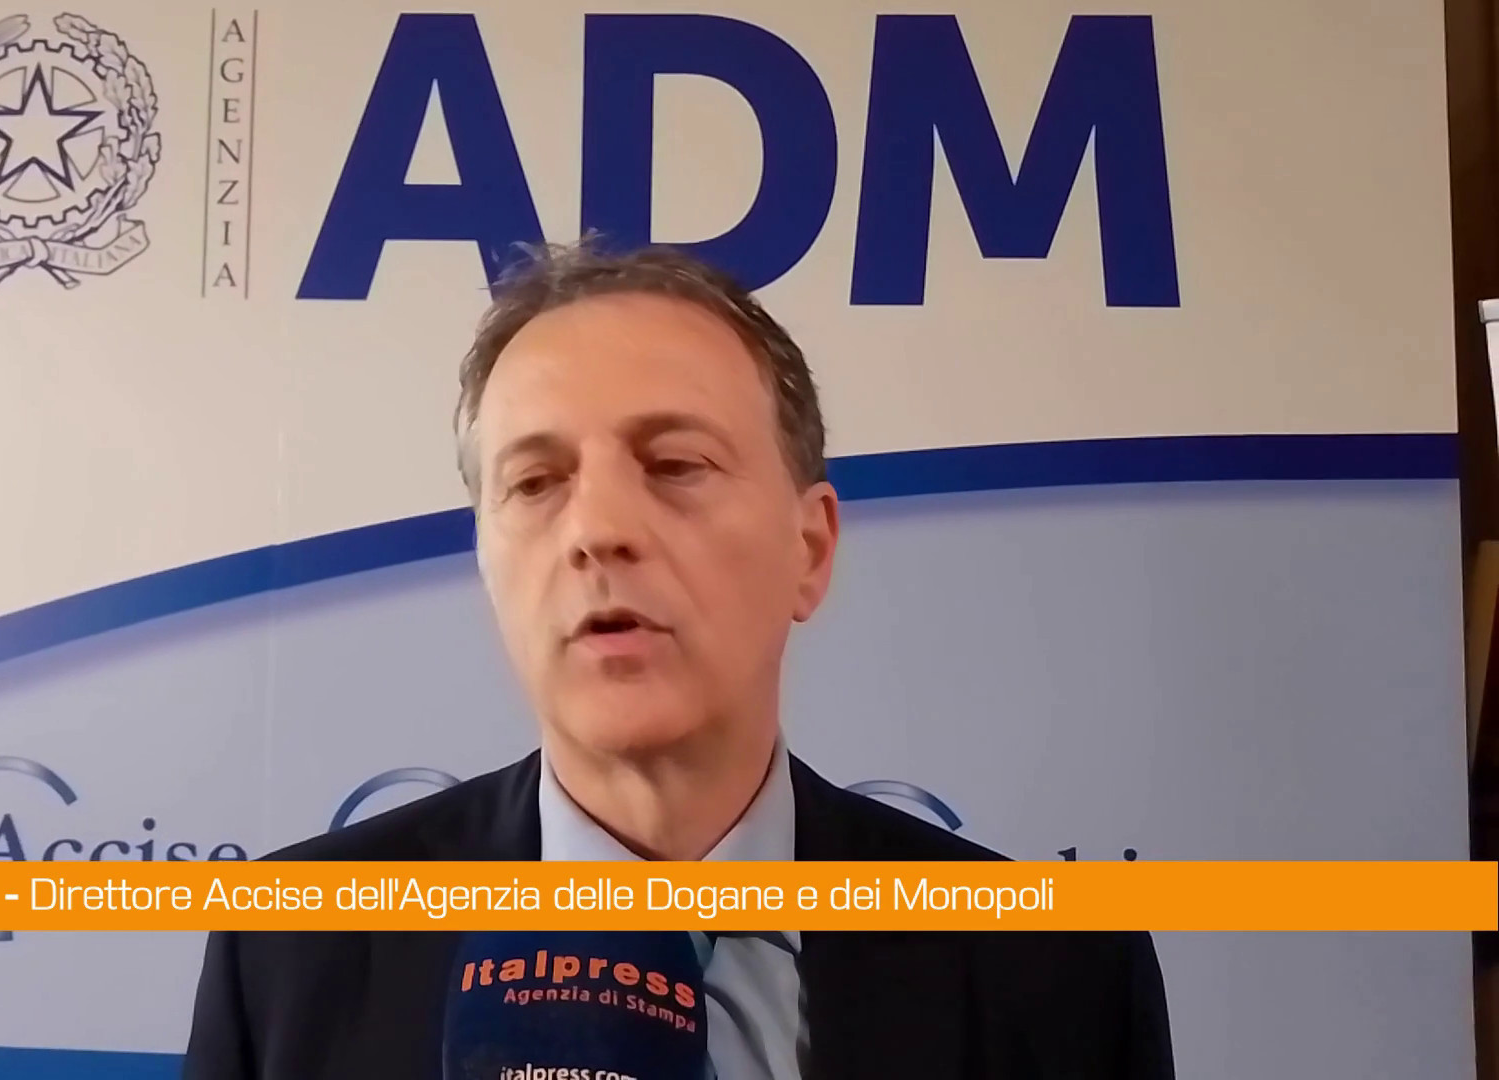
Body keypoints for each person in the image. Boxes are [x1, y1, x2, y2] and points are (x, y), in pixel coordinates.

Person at [182, 240, 1175, 1079]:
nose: (598, 530)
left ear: (810, 549)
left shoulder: (1060, 974)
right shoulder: (288, 954)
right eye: (536, 482)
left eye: (674, 465)